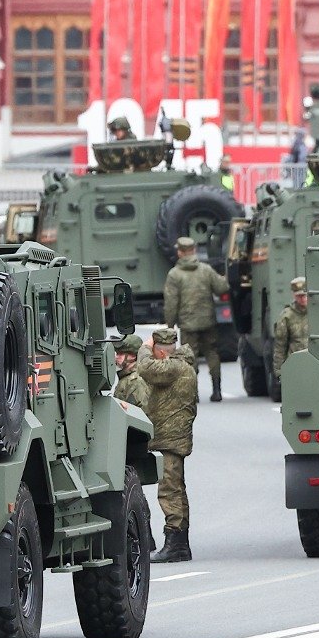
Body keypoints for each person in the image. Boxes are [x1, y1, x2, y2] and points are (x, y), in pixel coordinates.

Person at [137, 329, 199, 563]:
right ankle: (180, 544)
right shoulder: (182, 365)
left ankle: (175, 544)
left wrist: (144, 347)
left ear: (161, 352)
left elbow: (145, 368)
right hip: (173, 437)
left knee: (169, 490)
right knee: (176, 489)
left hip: (171, 439)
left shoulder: (173, 367)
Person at [161, 236, 231, 402]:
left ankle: (194, 394)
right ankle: (217, 391)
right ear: (193, 251)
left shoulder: (174, 275)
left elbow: (171, 303)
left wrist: (170, 326)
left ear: (179, 252)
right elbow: (222, 288)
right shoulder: (205, 270)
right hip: (208, 321)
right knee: (212, 353)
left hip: (188, 324)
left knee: (189, 357)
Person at [270, 277, 310, 388]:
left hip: (316, 364)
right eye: (299, 296)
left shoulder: (317, 313)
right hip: (296, 365)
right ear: (294, 296)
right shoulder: (286, 317)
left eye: (304, 295)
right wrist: (279, 372)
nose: (302, 299)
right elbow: (280, 347)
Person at [113, 332, 150, 409]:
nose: (116, 357)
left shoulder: (135, 381)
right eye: (117, 353)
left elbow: (140, 413)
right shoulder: (127, 377)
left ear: (133, 356)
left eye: (121, 354)